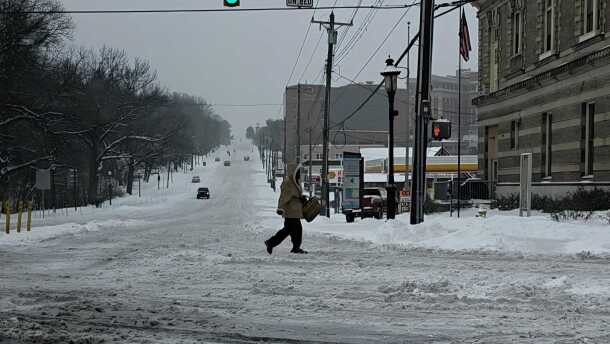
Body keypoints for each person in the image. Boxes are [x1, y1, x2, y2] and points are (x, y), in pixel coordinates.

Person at [265, 162, 308, 254]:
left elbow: (296, 195)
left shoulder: (295, 181)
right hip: (290, 211)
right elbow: (283, 197)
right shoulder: (288, 183)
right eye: (298, 171)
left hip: (294, 212)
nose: (300, 173)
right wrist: (280, 208)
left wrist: (301, 198)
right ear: (293, 172)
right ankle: (295, 247)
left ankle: (271, 243)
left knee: (288, 230)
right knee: (295, 230)